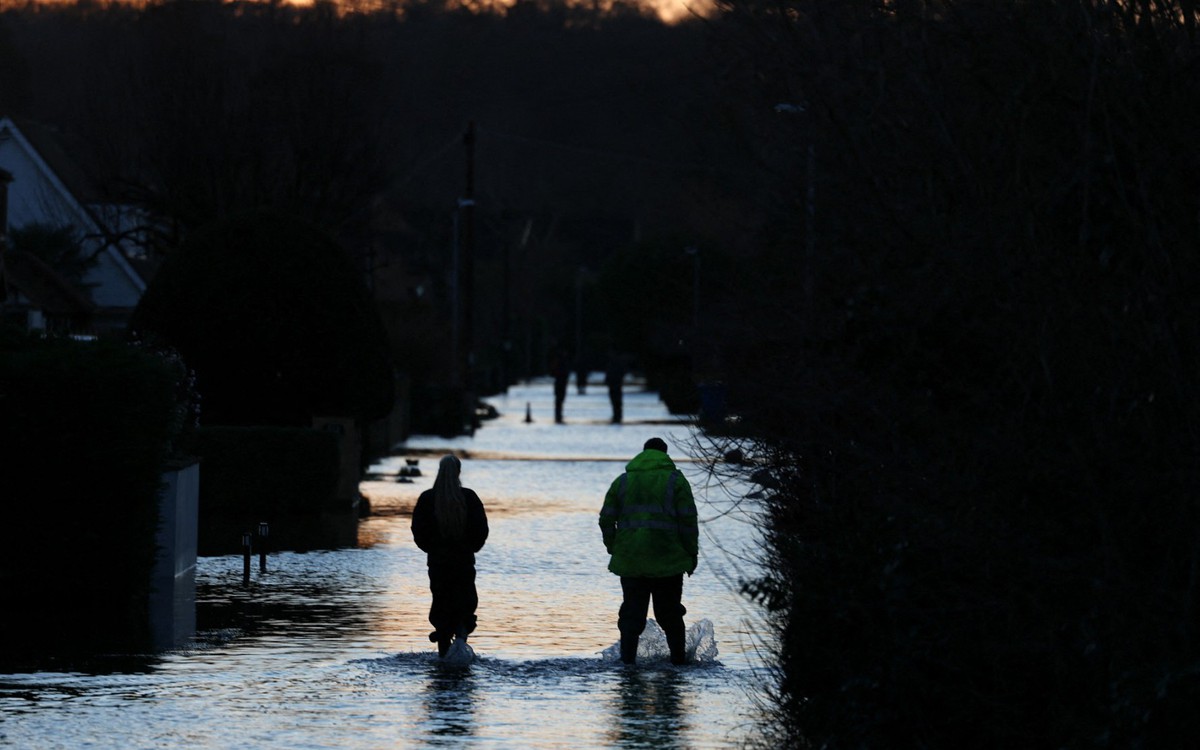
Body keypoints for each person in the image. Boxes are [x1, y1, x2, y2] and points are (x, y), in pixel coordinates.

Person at [599, 437, 699, 665]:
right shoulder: (677, 481)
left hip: (631, 561)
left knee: (632, 616)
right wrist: (691, 553)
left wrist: (613, 546)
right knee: (670, 615)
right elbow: (688, 521)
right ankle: (678, 663)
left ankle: (627, 663)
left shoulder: (623, 481)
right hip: (668, 561)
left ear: (643, 453)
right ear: (665, 454)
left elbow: (606, 518)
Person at [411, 454, 490, 658]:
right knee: (464, 600)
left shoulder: (428, 498)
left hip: (438, 562)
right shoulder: (469, 498)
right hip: (463, 560)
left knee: (442, 600)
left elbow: (418, 531)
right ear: (458, 472)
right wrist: (470, 548)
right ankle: (462, 638)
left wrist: (432, 549)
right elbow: (481, 530)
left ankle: (443, 645)